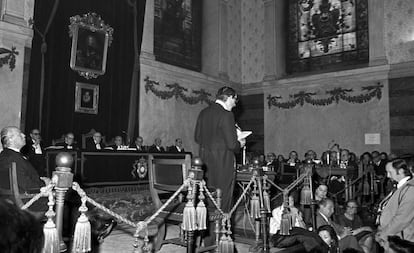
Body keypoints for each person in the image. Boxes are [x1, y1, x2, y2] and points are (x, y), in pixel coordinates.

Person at [194, 86, 245, 212]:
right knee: (223, 200)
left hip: (205, 163)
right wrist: (240, 143)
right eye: (235, 100)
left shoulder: (203, 112)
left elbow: (197, 137)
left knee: (207, 198)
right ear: (229, 97)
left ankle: (210, 230)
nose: (234, 104)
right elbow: (232, 145)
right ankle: (222, 229)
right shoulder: (227, 115)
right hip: (223, 164)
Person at [375, 159, 414, 247]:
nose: (388, 176)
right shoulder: (399, 186)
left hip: (402, 239)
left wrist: (384, 234)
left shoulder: (411, 188)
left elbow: (402, 219)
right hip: (392, 235)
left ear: (400, 171)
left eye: (390, 172)